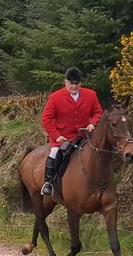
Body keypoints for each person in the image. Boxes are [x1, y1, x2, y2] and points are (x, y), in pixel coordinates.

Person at [39, 66, 103, 196]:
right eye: (71, 83)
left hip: (84, 136)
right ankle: (48, 183)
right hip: (63, 137)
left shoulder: (91, 95)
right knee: (54, 152)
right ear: (65, 82)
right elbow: (46, 119)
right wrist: (57, 136)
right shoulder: (55, 97)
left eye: (76, 83)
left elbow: (98, 112)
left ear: (81, 83)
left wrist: (92, 123)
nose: (74, 86)